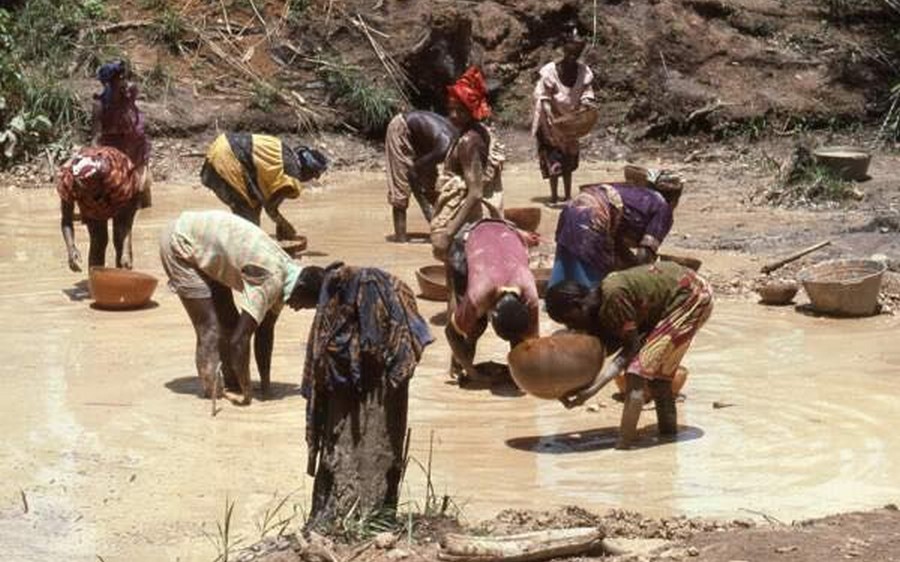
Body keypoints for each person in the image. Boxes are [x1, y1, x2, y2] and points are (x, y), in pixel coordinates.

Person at [301, 263, 433, 531]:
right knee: (350, 457)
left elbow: (375, 350)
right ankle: (363, 519)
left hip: (377, 386)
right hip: (363, 387)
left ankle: (368, 519)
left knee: (374, 454)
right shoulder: (340, 310)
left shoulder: (364, 306)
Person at [159, 210, 319, 407]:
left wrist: (266, 386)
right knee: (210, 329)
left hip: (207, 248)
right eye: (303, 305)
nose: (297, 309)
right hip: (180, 243)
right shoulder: (271, 280)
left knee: (231, 323)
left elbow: (264, 332)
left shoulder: (289, 276)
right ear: (301, 289)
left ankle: (230, 384)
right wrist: (247, 393)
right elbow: (239, 341)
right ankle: (212, 394)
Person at [545, 261, 713, 449]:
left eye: (569, 320)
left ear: (578, 305)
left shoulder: (613, 297)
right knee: (659, 379)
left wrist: (593, 390)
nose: (572, 327)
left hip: (692, 296)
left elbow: (630, 348)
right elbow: (612, 347)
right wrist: (575, 383)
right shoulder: (601, 306)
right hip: (674, 298)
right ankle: (668, 438)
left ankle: (624, 445)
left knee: (636, 373)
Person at [446, 219, 540, 385]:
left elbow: (532, 340)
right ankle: (460, 361)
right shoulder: (480, 292)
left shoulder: (531, 296)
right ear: (491, 311)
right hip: (468, 241)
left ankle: (465, 357)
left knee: (520, 336)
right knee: (475, 328)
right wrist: (474, 374)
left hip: (505, 236)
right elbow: (450, 333)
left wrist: (523, 375)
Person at [549, 179, 682, 290]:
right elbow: (644, 254)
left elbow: (617, 242)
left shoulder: (636, 194)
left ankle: (556, 302)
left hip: (573, 206)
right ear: (675, 200)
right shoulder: (664, 209)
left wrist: (628, 262)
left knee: (566, 263)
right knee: (591, 286)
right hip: (592, 216)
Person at [430, 66, 505, 261]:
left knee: (460, 277)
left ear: (471, 110)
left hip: (468, 221)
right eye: (451, 109)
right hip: (482, 217)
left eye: (460, 110)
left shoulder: (468, 142)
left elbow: (476, 192)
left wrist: (448, 233)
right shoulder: (481, 132)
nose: (453, 115)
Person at [200, 132, 328, 240]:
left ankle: (224, 240)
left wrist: (279, 223)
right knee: (249, 227)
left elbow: (263, 199)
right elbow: (271, 208)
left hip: (220, 147)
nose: (312, 179)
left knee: (252, 208)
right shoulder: (292, 172)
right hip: (228, 160)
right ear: (308, 170)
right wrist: (285, 225)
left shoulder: (286, 153)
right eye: (314, 175)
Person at [531, 30, 596, 204]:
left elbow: (586, 92)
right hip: (550, 120)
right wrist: (550, 115)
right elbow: (543, 95)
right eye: (569, 53)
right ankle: (553, 196)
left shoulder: (583, 72)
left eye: (575, 54)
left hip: (570, 120)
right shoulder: (550, 72)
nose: (572, 57)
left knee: (568, 158)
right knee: (554, 157)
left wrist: (587, 103)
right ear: (564, 51)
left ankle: (567, 195)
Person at [58, 146, 142, 271]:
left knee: (120, 239)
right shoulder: (68, 182)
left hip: (122, 191)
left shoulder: (117, 178)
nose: (90, 191)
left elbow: (125, 221)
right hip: (92, 204)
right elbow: (67, 220)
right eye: (85, 189)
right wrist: (71, 248)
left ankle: (123, 282)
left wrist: (125, 251)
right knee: (98, 240)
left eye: (93, 188)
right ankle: (96, 284)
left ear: (100, 180)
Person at [384, 110, 457, 242]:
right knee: (401, 187)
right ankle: (401, 239)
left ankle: (438, 230)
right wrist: (423, 200)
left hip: (422, 140)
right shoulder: (444, 149)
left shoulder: (457, 144)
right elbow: (413, 171)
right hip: (401, 129)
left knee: (431, 186)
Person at [92, 60, 152, 209]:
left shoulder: (130, 93)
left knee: (142, 189)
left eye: (124, 77)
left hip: (135, 146)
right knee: (117, 191)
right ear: (109, 83)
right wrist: (95, 158)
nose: (124, 81)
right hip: (114, 151)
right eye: (120, 78)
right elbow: (96, 135)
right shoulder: (99, 105)